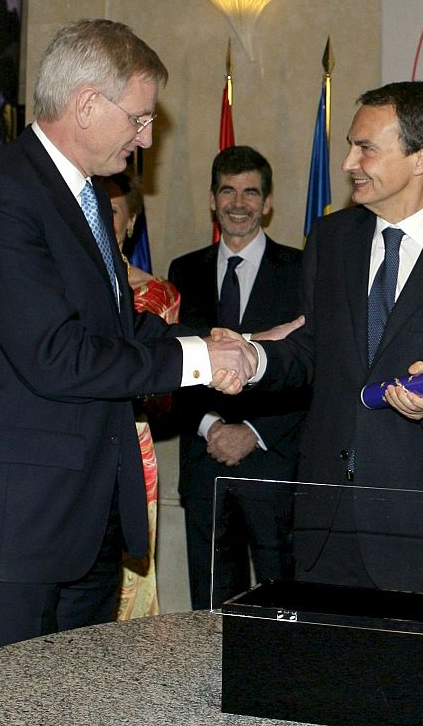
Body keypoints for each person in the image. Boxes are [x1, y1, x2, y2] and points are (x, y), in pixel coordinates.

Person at [0, 19, 256, 664]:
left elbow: (121, 330)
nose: (147, 136)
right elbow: (55, 356)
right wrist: (199, 359)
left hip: (84, 524)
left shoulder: (88, 200)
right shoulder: (1, 194)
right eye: (138, 117)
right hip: (9, 531)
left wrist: (224, 342)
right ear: (85, 105)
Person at [248, 81, 423, 597]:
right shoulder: (331, 241)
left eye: (366, 148)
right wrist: (253, 359)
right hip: (324, 524)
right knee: (323, 677)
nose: (348, 163)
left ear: (422, 156)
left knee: (413, 681)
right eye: (350, 146)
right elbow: (315, 352)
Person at [168, 146, 309, 609]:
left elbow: (308, 370)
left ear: (267, 202)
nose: (239, 202)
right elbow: (174, 360)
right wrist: (212, 427)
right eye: (228, 190)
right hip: (204, 463)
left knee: (280, 604)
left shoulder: (301, 270)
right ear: (212, 199)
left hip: (272, 465)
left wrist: (252, 432)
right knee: (209, 609)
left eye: (251, 192)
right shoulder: (183, 272)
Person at [99, 170, 181, 618]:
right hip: (77, 440)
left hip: (134, 442)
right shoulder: (63, 281)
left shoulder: (159, 293)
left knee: (129, 574)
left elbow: (164, 395)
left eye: (114, 211)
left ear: (131, 222)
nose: (104, 218)